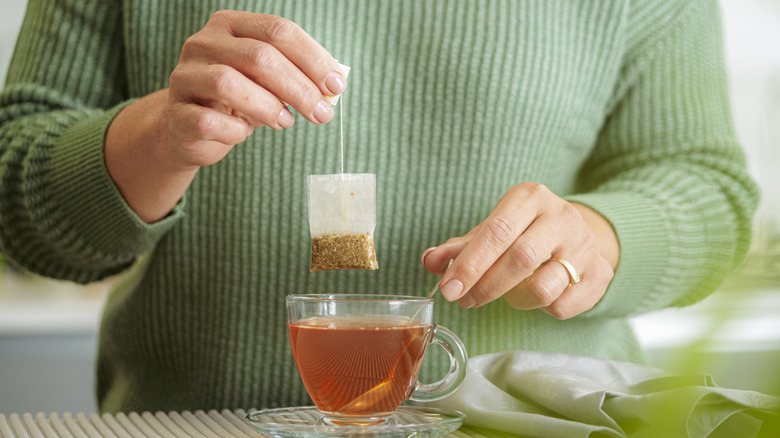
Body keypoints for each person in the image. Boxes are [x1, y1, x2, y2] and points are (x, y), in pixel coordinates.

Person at [0, 0, 758, 413]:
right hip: (198, 425)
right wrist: (161, 133)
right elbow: (16, 208)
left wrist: (600, 239)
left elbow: (706, 189)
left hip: (537, 428)